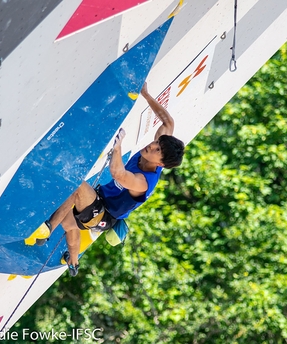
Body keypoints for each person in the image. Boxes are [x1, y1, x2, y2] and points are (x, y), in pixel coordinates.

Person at [36, 83, 185, 276]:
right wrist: (146, 95)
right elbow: (168, 123)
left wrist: (117, 147)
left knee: (76, 188)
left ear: (162, 164)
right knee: (70, 223)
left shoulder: (143, 182)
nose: (152, 146)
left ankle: (47, 230)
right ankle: (73, 263)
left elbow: (118, 174)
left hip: (104, 215)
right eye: (157, 142)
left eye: (158, 150)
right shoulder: (157, 151)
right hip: (99, 202)